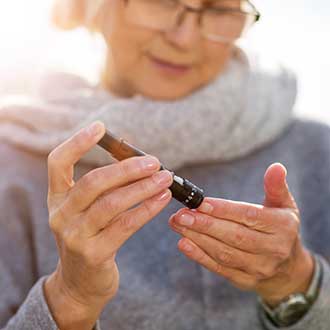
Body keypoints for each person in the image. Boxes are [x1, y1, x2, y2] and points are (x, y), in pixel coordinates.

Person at [0, 0, 329, 329]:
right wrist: (70, 300)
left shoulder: (317, 149)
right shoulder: (14, 162)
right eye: (161, 2)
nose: (184, 38)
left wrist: (298, 283)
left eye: (218, 10)